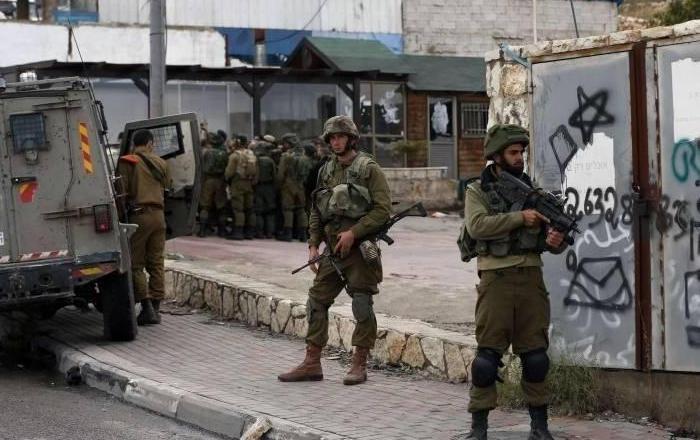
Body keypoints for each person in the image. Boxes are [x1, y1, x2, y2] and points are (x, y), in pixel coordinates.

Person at [460, 124, 567, 440]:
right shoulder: (477, 191)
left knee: (536, 358)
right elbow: (477, 226)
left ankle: (540, 427)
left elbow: (550, 243)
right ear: (496, 156)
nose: (520, 157)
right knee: (486, 360)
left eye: (521, 152)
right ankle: (478, 427)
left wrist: (556, 240)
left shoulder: (533, 193)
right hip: (496, 280)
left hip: (531, 279)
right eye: (513, 152)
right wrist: (521, 217)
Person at [277, 116, 391, 386]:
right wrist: (313, 244)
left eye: (341, 137)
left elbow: (383, 210)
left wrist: (354, 232)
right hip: (332, 251)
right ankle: (312, 363)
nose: (336, 142)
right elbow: (317, 209)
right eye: (332, 138)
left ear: (351, 139)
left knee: (361, 304)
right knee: (316, 301)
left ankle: (359, 364)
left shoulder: (369, 169)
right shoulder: (326, 170)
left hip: (359, 251)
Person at [116, 129, 172, 326]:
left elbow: (122, 192)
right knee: (156, 262)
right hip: (159, 216)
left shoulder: (127, 161)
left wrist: (120, 217)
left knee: (136, 264)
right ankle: (156, 308)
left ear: (134, 144)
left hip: (139, 216)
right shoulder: (162, 162)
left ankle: (146, 307)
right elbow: (168, 185)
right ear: (149, 143)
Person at [276, 133, 313, 242]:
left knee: (288, 209)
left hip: (288, 185)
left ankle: (288, 234)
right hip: (301, 186)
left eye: (285, 143)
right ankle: (303, 235)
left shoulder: (286, 156)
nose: (284, 145)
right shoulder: (305, 156)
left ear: (289, 143)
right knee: (301, 210)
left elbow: (280, 174)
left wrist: (278, 186)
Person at [225, 135, 258, 240]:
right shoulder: (251, 154)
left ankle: (238, 232)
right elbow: (256, 171)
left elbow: (229, 172)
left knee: (238, 209)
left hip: (238, 183)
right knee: (249, 208)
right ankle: (250, 232)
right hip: (249, 183)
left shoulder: (235, 156)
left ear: (237, 142)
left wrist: (227, 180)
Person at [197, 132, 229, 237]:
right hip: (220, 181)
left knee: (205, 206)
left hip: (208, 181)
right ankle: (222, 230)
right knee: (221, 206)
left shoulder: (207, 152)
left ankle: (202, 230)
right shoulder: (224, 153)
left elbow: (202, 167)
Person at [253, 141, 277, 238]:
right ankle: (270, 232)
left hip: (258, 186)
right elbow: (275, 175)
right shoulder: (270, 161)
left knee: (259, 211)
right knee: (270, 211)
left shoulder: (256, 160)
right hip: (269, 187)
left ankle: (259, 232)